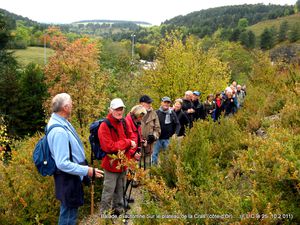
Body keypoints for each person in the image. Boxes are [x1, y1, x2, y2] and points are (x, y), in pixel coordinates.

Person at [47, 93, 103, 225]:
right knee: (68, 216)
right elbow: (62, 163)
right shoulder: (59, 131)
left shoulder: (62, 122)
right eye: (71, 103)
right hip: (68, 178)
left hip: (71, 176)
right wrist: (86, 170)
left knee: (70, 211)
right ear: (65, 107)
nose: (73, 105)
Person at [98, 98, 137, 216]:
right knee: (108, 191)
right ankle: (104, 215)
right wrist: (127, 143)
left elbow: (132, 137)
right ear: (110, 110)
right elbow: (109, 147)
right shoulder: (104, 126)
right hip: (111, 165)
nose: (119, 111)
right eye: (116, 109)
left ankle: (118, 211)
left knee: (120, 189)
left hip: (123, 163)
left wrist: (131, 151)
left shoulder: (123, 122)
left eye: (121, 109)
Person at [152, 97, 180, 165]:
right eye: (165, 102)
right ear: (161, 103)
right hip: (157, 139)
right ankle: (153, 171)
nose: (166, 104)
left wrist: (175, 134)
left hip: (168, 139)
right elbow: (151, 125)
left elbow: (178, 124)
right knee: (154, 155)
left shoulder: (172, 113)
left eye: (168, 103)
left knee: (167, 156)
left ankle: (165, 171)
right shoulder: (156, 113)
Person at [139, 95, 161, 169]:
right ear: (141, 104)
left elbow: (157, 129)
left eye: (150, 103)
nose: (150, 105)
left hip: (149, 147)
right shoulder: (133, 114)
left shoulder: (154, 114)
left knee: (148, 170)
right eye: (148, 103)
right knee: (137, 171)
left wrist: (153, 136)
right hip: (137, 149)